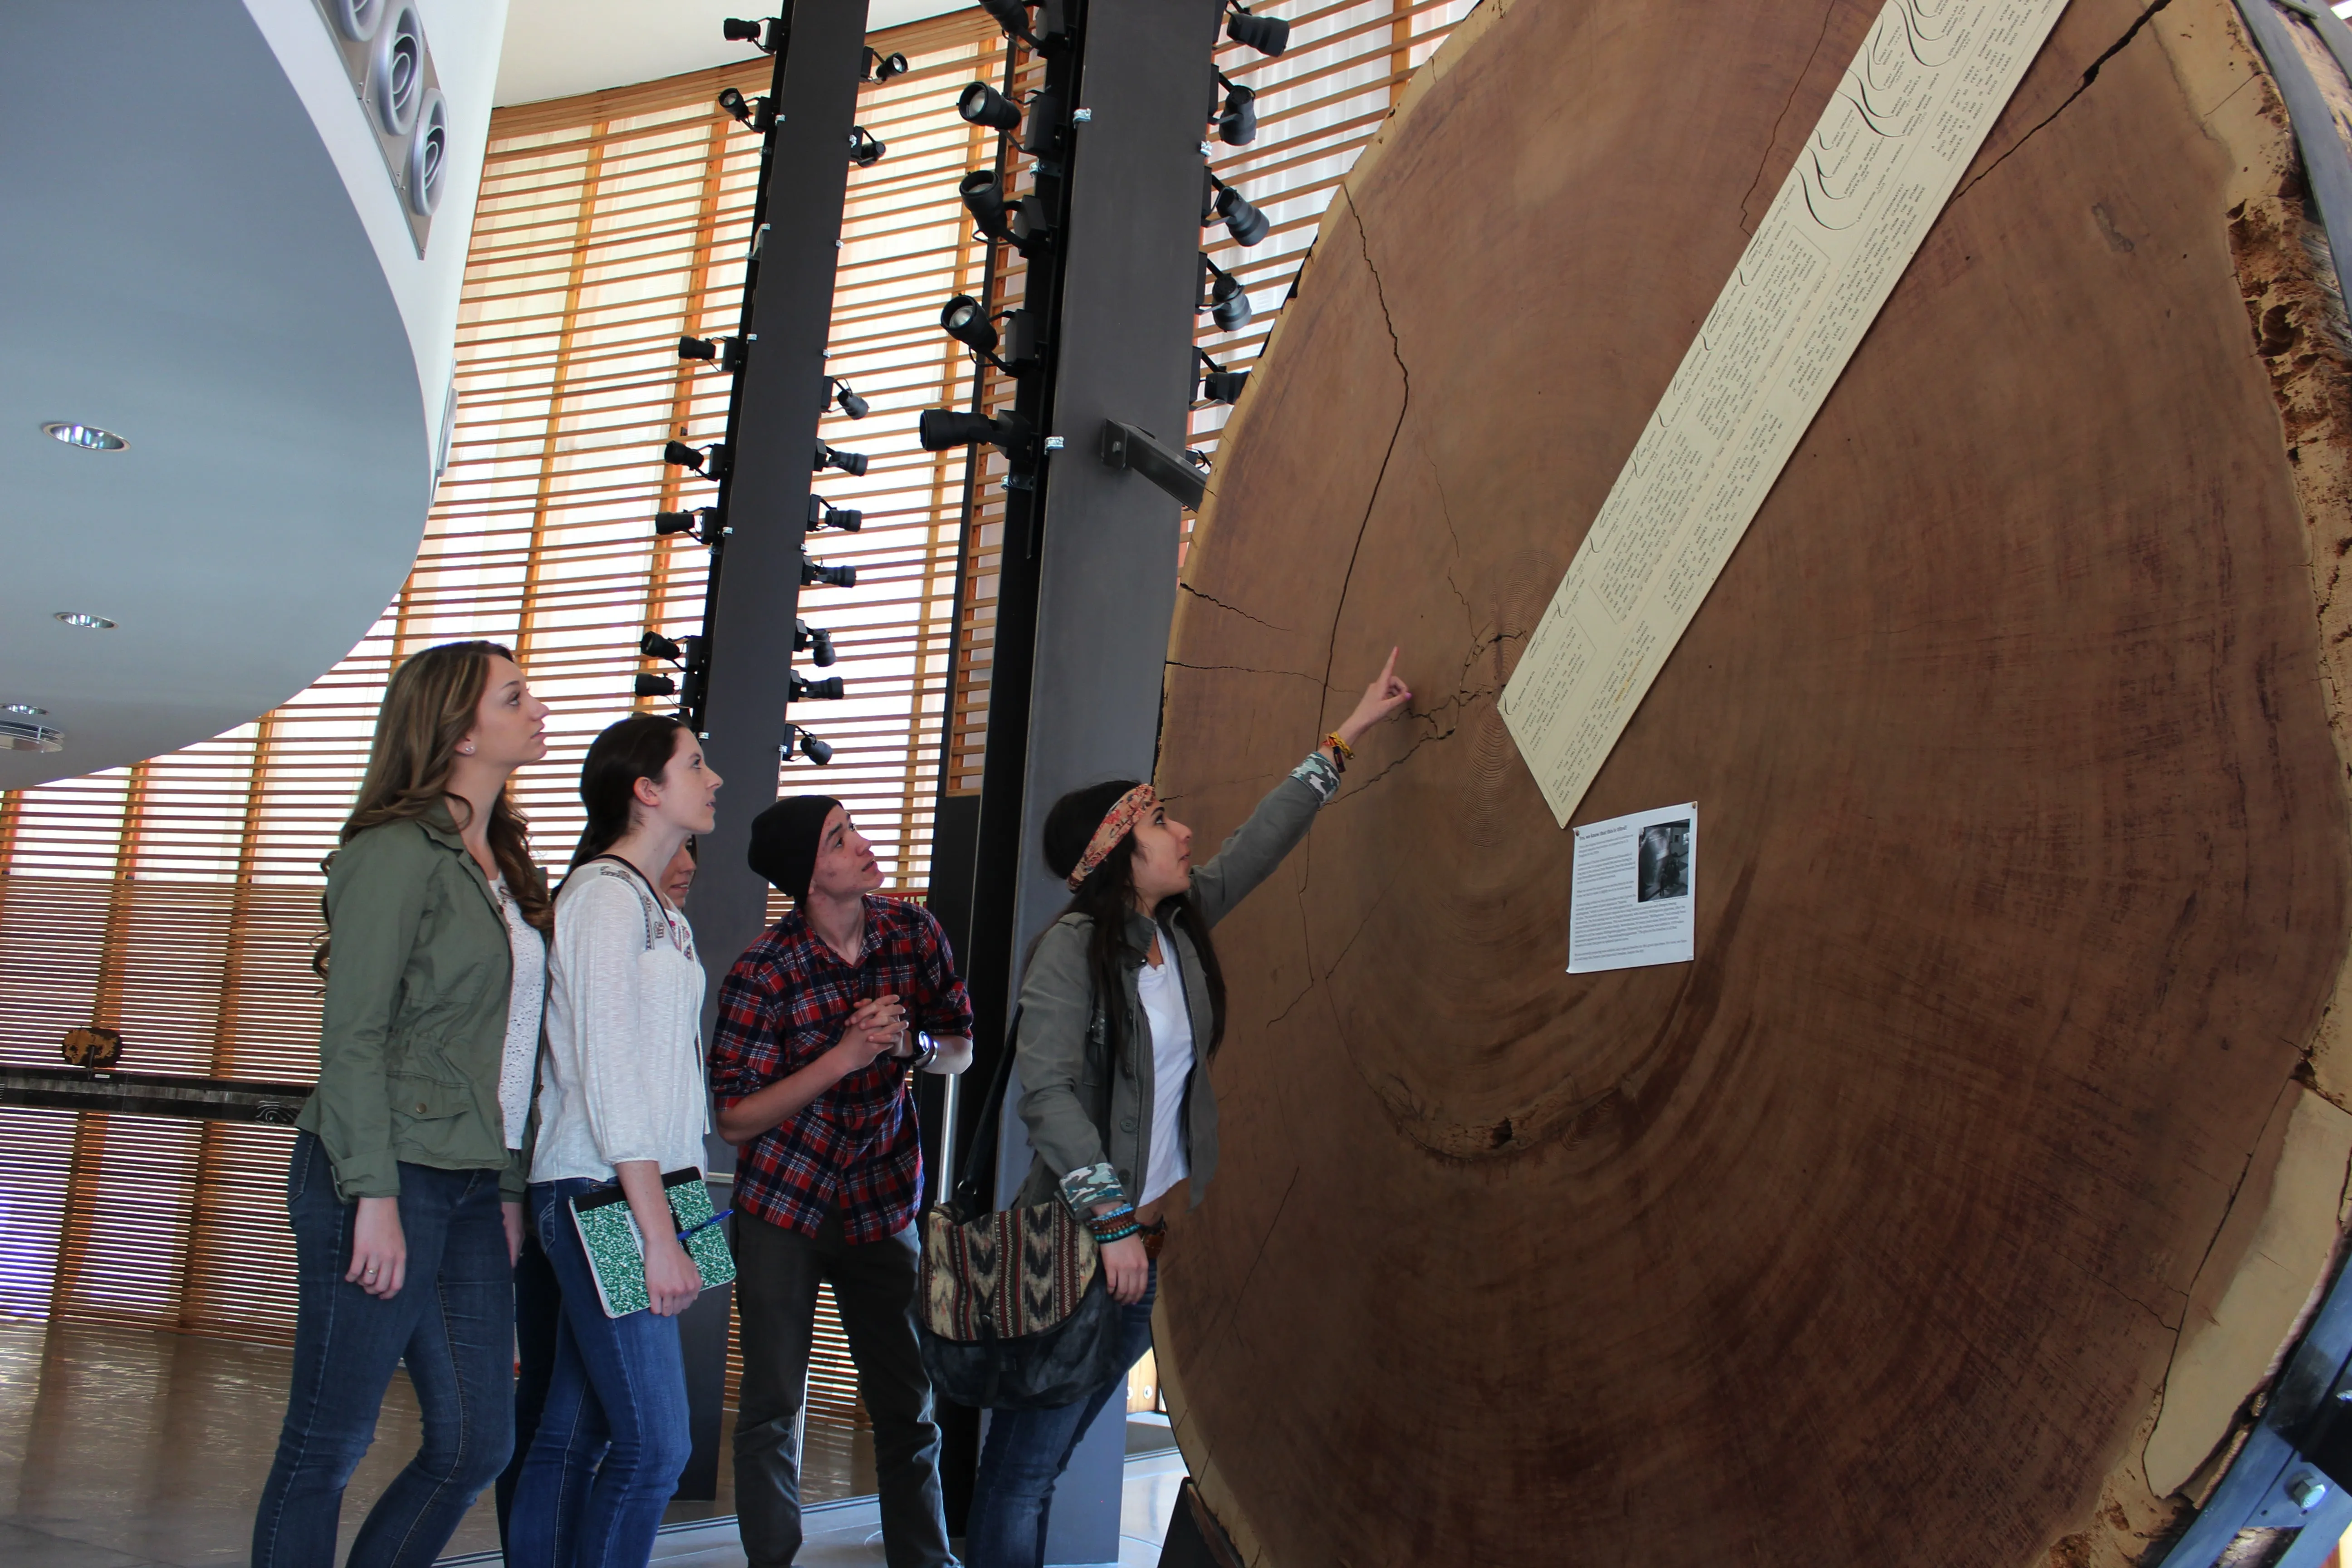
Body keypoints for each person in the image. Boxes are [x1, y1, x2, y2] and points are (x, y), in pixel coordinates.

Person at [964, 650, 1414, 1568]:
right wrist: (1110, 1222)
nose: (1183, 829)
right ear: (1117, 851)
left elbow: (1258, 840)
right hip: (1080, 1254)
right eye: (1161, 820)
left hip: (1139, 1256)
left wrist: (1347, 737)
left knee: (1037, 1471)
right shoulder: (1072, 952)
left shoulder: (1174, 927)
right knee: (1023, 1476)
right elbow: (1045, 1096)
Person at [253, 641, 551, 1568]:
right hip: (383, 1175)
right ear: (461, 730)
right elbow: (354, 1040)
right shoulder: (394, 851)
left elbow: (506, 1051)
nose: (537, 707)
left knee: (476, 1442)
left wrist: (504, 1189)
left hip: (467, 1181)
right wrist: (371, 1198)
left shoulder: (501, 866)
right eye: (515, 696)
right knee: (328, 1442)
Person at [711, 798, 976, 1568]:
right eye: (840, 838)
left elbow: (958, 1046)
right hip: (782, 1207)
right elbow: (733, 1119)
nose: (863, 844)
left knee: (908, 1403)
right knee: (769, 1409)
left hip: (884, 1197)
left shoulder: (911, 931)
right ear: (808, 875)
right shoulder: (765, 969)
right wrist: (845, 1057)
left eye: (853, 826)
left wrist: (915, 1046)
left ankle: (925, 1561)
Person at [509, 715, 722, 1568]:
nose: (713, 780)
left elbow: (671, 1082)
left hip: (653, 1191)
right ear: (646, 789)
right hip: (605, 1192)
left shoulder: (653, 906)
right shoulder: (600, 897)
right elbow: (609, 1077)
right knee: (657, 1447)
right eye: (696, 765)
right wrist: (659, 1233)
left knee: (578, 1426)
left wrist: (685, 1212)